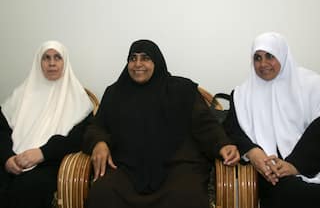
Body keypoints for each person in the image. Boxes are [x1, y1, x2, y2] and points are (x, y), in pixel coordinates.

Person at [82, 39, 240, 208]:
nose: (138, 64)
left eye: (145, 58)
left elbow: (205, 124)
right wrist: (99, 142)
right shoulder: (115, 93)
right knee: (102, 193)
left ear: (157, 62)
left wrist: (222, 144)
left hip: (176, 165)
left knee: (187, 196)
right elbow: (96, 126)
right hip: (126, 167)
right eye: (133, 58)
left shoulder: (182, 90)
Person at [223, 32, 320, 208]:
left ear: (283, 55)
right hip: (271, 172)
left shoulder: (316, 86)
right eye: (257, 58)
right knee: (286, 191)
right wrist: (253, 153)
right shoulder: (241, 95)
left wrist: (295, 165)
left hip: (315, 163)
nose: (263, 64)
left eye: (270, 56)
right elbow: (232, 130)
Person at [0, 41, 94, 208]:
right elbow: (2, 130)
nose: (52, 63)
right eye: (46, 58)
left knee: (24, 189)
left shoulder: (78, 99)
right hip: (12, 160)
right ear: (39, 62)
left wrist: (42, 152)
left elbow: (79, 138)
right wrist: (7, 158)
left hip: (49, 163)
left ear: (65, 62)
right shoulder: (21, 94)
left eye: (57, 57)